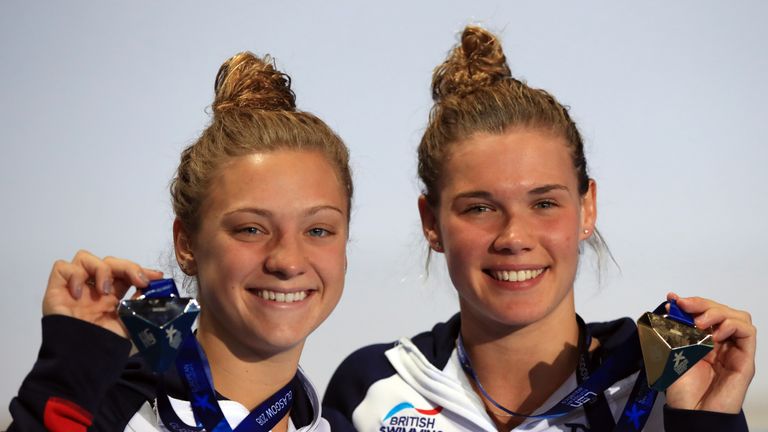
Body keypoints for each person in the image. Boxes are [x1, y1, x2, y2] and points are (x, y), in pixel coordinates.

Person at [322, 26, 755, 431]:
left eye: (544, 203)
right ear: (431, 223)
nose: (514, 238)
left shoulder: (666, 384)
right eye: (479, 208)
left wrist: (708, 422)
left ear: (587, 209)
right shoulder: (373, 389)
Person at [9, 51, 353, 432]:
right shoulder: (102, 415)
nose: (288, 261)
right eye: (251, 229)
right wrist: (65, 383)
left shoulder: (340, 423)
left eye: (318, 230)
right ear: (186, 244)